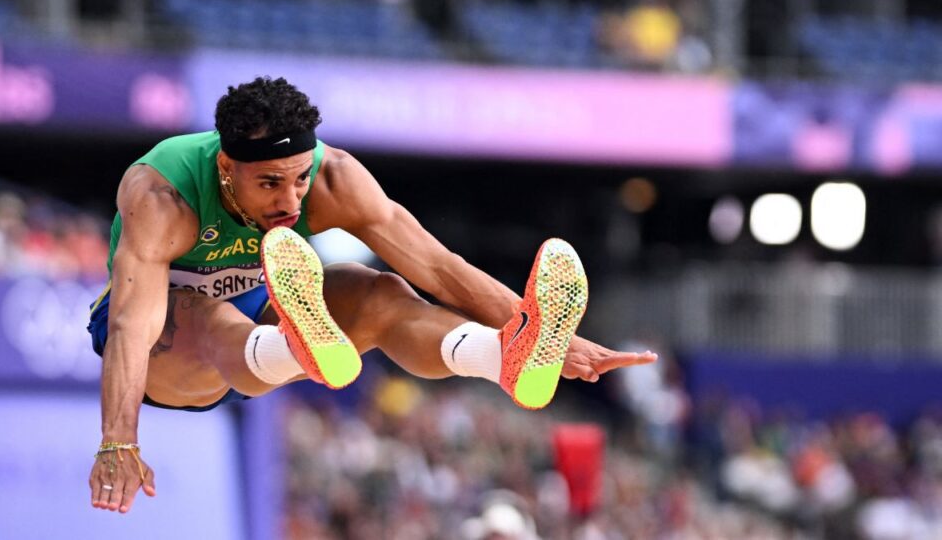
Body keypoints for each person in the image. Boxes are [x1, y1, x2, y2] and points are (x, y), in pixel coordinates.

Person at [86, 76, 658, 513]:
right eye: (269, 184)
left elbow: (437, 266)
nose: (291, 200)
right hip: (173, 354)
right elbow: (132, 327)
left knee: (382, 293)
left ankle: (500, 356)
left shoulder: (333, 177)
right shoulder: (164, 196)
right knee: (206, 315)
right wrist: (119, 442)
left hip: (263, 319)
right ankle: (297, 347)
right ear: (227, 167)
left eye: (299, 177)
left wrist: (550, 340)